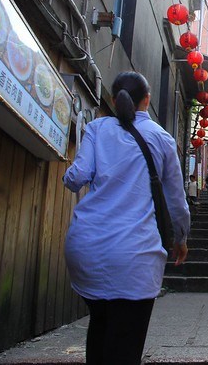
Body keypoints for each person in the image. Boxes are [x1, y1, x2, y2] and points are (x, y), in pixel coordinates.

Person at [62, 71, 190, 365]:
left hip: (86, 249)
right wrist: (180, 238)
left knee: (100, 326)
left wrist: (67, 176)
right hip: (134, 255)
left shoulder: (96, 128)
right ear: (147, 99)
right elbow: (176, 201)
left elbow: (77, 176)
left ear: (114, 98)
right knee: (125, 345)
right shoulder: (161, 138)